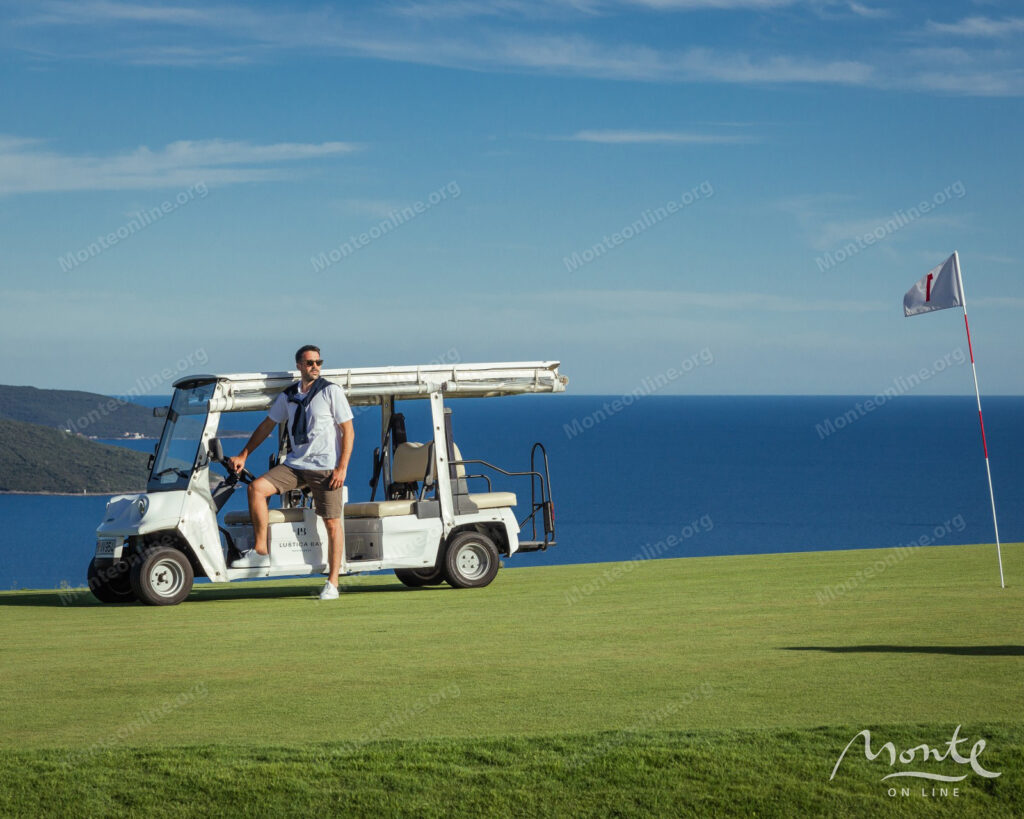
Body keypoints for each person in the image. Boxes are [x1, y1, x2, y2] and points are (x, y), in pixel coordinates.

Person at [228, 345, 354, 600]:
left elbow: (348, 431)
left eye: (319, 362)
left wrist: (342, 468)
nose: (315, 366)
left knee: (332, 523)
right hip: (296, 465)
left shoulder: (331, 391)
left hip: (325, 468)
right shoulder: (288, 397)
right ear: (299, 365)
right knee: (256, 489)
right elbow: (267, 426)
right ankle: (261, 552)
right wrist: (243, 454)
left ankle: (333, 583)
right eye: (310, 363)